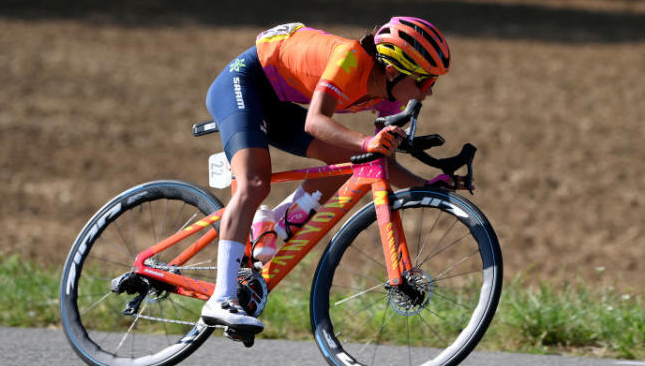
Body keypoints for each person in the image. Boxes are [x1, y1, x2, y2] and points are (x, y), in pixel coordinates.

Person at [200, 17, 468, 332]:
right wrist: (368, 141)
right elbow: (315, 122)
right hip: (243, 83)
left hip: (278, 103)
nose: (429, 92)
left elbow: (382, 161)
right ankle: (220, 297)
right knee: (254, 183)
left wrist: (428, 185)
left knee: (352, 159)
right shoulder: (350, 58)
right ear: (394, 71)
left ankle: (274, 224)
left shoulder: (388, 98)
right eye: (425, 81)